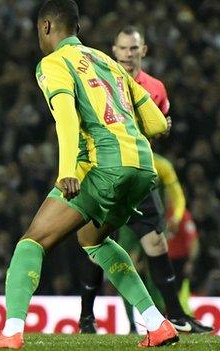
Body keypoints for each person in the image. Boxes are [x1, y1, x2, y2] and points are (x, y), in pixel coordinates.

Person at [0, 0, 177, 349]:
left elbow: (66, 115)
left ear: (46, 27)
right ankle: (157, 324)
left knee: (31, 241)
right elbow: (155, 121)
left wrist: (67, 171)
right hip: (142, 167)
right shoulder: (108, 61)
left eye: (38, 30)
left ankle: (11, 332)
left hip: (103, 167)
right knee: (92, 240)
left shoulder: (53, 63)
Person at [76, 26, 212, 334]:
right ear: (114, 50)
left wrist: (162, 128)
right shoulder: (100, 82)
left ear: (143, 51)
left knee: (155, 240)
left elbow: (157, 127)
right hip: (105, 173)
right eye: (123, 49)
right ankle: (86, 319)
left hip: (138, 173)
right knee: (93, 242)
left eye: (133, 49)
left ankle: (175, 314)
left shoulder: (156, 88)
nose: (128, 54)